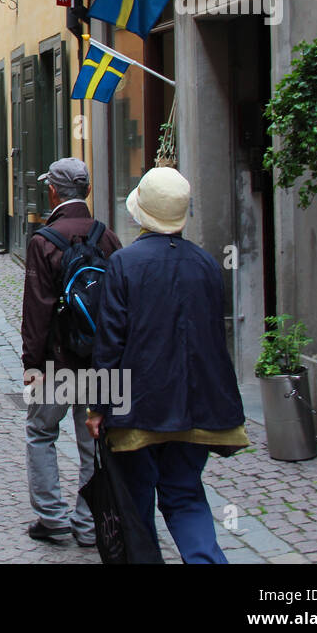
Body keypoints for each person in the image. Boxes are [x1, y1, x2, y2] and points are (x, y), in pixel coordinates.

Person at [86, 167, 248, 564]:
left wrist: (98, 408)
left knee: (136, 505)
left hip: (140, 409)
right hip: (195, 408)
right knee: (185, 494)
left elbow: (110, 344)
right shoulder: (207, 264)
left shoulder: (124, 264)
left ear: (141, 212)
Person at [20, 157, 121, 548]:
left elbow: (37, 310)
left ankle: (51, 517)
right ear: (88, 191)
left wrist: (32, 364)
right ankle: (87, 522)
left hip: (58, 361)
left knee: (41, 432)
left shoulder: (44, 241)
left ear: (52, 191)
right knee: (92, 442)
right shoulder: (107, 236)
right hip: (101, 362)